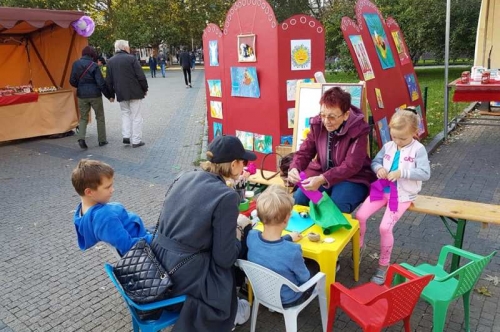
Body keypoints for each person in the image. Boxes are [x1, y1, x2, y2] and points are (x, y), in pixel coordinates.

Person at [151, 135, 256, 331]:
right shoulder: (227, 197)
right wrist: (239, 229)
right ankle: (232, 311)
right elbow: (224, 258)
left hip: (157, 264)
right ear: (234, 164)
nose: (244, 166)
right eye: (244, 162)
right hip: (182, 276)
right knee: (235, 253)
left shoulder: (184, 176)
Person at [355, 109, 430, 285]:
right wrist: (378, 169)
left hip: (401, 194)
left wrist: (402, 172)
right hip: (381, 189)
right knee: (360, 216)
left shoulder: (419, 150)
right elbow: (375, 161)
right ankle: (359, 247)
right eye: (394, 137)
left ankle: (383, 265)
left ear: (414, 132)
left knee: (384, 228)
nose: (397, 141)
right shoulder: (389, 145)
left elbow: (425, 173)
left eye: (402, 138)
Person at [287, 87, 376, 213]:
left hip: (353, 177)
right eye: (323, 115)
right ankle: (307, 230)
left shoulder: (359, 130)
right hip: (322, 173)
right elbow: (305, 152)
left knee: (336, 207)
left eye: (332, 117)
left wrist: (322, 178)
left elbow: (352, 166)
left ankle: (333, 229)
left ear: (346, 115)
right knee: (300, 198)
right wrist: (295, 167)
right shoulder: (317, 124)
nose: (326, 121)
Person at [247, 185, 318, 307]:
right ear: (287, 219)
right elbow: (304, 278)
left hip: (262, 293)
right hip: (289, 299)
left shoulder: (251, 236)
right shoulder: (293, 251)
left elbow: (269, 248)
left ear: (259, 216)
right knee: (316, 267)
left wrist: (288, 238)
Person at [71, 159, 153, 256]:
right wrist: (155, 238)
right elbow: (129, 246)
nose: (112, 190)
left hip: (141, 235)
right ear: (89, 192)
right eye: (107, 187)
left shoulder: (82, 212)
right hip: (146, 244)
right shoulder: (105, 217)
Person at [106, 40, 148, 148]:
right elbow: (141, 76)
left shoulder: (110, 61)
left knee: (125, 114)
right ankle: (136, 140)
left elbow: (109, 80)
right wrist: (145, 88)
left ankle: (126, 136)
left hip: (121, 92)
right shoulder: (131, 59)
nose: (129, 49)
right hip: (135, 92)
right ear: (124, 48)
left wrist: (111, 95)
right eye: (128, 47)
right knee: (136, 116)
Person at [70, 46, 113, 150]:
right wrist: (109, 95)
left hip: (81, 95)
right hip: (95, 95)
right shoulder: (94, 65)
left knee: (83, 117)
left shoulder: (75, 64)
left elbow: (72, 81)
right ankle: (102, 140)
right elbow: (101, 83)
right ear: (92, 54)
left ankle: (81, 138)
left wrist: (80, 86)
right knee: (100, 117)